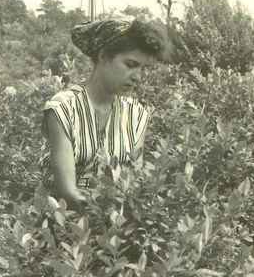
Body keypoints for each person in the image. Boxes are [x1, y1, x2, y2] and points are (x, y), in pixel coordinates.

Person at [40, 17, 168, 209]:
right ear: (103, 56)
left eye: (142, 68)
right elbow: (68, 191)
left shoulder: (135, 115)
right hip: (66, 226)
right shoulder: (63, 108)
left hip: (117, 227)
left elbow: (133, 180)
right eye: (130, 64)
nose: (137, 77)